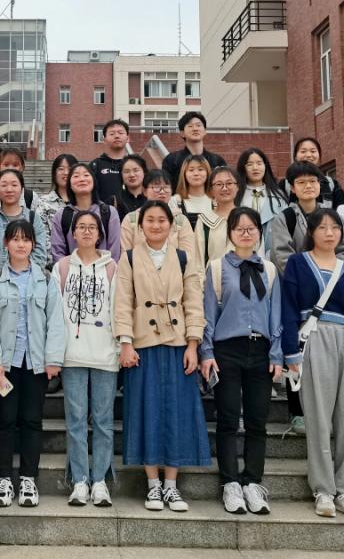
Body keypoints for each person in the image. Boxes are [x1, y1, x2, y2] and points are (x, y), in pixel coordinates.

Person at [114, 200, 209, 512]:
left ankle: (171, 485)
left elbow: (193, 302)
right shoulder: (129, 257)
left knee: (176, 413)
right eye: (150, 220)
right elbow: (123, 301)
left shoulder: (183, 258)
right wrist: (125, 343)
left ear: (171, 225)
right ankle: (153, 484)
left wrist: (193, 345)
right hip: (141, 345)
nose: (156, 225)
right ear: (141, 225)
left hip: (178, 344)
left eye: (161, 220)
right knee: (146, 411)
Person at [282, 209, 344, 520]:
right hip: (313, 338)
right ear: (311, 232)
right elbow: (288, 308)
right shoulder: (297, 263)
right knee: (317, 416)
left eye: (335, 227)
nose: (329, 233)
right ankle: (323, 489)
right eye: (322, 227)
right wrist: (290, 352)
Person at [199, 207, 282, 516]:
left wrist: (276, 354)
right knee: (228, 418)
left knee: (258, 420)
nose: (246, 233)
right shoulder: (217, 267)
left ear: (259, 232)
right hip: (227, 350)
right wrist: (207, 353)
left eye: (251, 228)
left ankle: (253, 482)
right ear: (230, 233)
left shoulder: (269, 269)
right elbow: (209, 314)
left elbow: (275, 314)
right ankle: (231, 482)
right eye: (239, 229)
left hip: (261, 350)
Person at [0, 219, 66, 508]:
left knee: (31, 420)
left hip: (35, 364)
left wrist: (53, 359)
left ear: (33, 244)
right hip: (5, 364)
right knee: (4, 421)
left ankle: (29, 478)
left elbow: (56, 320)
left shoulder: (46, 278)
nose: (21, 244)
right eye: (15, 239)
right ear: (6, 243)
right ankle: (4, 479)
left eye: (26, 239)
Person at [270, 162, 344, 434]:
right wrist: (308, 278)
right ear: (293, 188)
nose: (308, 186)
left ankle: (330, 411)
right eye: (302, 182)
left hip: (332, 294)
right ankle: (298, 411)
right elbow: (281, 255)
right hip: (296, 293)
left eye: (313, 181)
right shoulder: (285, 218)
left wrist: (330, 279)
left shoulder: (331, 217)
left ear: (320, 185)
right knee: (297, 349)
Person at [53, 209, 120, 507]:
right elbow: (55, 314)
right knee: (76, 420)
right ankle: (80, 479)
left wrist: (121, 346)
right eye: (81, 226)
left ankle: (101, 480)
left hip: (105, 354)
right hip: (72, 355)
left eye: (92, 227)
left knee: (104, 421)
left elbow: (118, 308)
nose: (87, 231)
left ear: (100, 234)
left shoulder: (112, 267)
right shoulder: (62, 267)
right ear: (73, 233)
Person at [51, 163, 121, 263]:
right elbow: (58, 253)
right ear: (69, 184)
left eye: (86, 175)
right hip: (71, 271)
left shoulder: (109, 212)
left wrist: (106, 270)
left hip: (104, 270)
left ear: (94, 181)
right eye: (76, 176)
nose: (82, 179)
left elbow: (114, 251)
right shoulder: (61, 215)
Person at [120, 170, 196, 259]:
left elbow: (189, 256)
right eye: (156, 187)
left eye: (166, 187)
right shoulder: (131, 219)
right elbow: (125, 257)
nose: (162, 192)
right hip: (140, 267)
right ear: (144, 191)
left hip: (173, 267)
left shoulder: (180, 220)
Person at [0, 169, 49, 274]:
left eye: (14, 185)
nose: (9, 189)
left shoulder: (33, 219)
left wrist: (22, 276)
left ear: (22, 189)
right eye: (4, 185)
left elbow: (40, 256)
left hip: (29, 279)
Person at [235, 148, 289, 255]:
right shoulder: (236, 195)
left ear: (265, 166)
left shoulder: (279, 196)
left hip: (272, 254)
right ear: (243, 168)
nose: (255, 167)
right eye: (249, 164)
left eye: (259, 163)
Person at [162, 111, 227, 186]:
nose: (195, 129)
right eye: (190, 126)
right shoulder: (171, 160)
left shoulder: (217, 160)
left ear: (205, 131)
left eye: (198, 125)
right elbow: (168, 186)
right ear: (182, 133)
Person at [283, 137, 344, 210]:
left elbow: (340, 212)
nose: (309, 155)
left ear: (319, 155)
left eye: (313, 151)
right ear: (295, 156)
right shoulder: (285, 185)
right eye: (303, 151)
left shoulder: (332, 184)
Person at [196, 166, 240, 266]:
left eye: (229, 183)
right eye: (219, 184)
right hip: (214, 274)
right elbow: (198, 260)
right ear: (211, 190)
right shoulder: (204, 221)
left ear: (237, 187)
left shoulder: (247, 218)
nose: (224, 188)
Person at [0, 148, 42, 215]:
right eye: (6, 165)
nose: (10, 168)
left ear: (22, 167)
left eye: (15, 165)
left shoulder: (32, 197)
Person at [90, 119, 130, 205]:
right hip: (103, 212)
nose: (117, 136)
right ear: (104, 140)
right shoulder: (95, 165)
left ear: (127, 138)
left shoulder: (135, 165)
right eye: (112, 134)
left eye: (121, 133)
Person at [169, 154, 212, 231]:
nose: (196, 174)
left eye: (200, 169)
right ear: (184, 174)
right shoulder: (175, 201)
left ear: (207, 172)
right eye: (191, 170)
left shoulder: (216, 201)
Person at [39, 153, 78, 229]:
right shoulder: (43, 202)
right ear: (54, 173)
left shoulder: (83, 201)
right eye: (61, 169)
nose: (66, 173)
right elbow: (41, 233)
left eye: (70, 169)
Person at [116, 154, 147, 219]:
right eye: (126, 172)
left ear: (144, 172)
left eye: (136, 170)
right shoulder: (115, 200)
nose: (132, 175)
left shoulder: (153, 197)